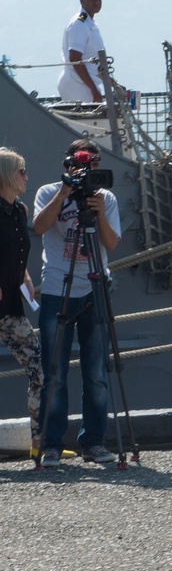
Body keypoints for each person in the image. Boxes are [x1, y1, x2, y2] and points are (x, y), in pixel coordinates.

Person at [33, 139, 121, 467]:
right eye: (83, 163)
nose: (88, 170)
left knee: (96, 372)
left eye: (95, 163)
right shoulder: (48, 192)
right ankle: (52, 444)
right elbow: (38, 227)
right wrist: (64, 193)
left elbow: (110, 243)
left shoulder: (105, 197)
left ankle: (94, 443)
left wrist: (99, 215)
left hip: (95, 288)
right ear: (66, 164)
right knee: (53, 371)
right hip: (58, 288)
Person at [0, 148, 65, 461]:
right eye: (21, 171)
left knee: (38, 372)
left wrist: (24, 274)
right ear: (7, 176)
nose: (27, 176)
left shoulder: (20, 211)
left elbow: (16, 250)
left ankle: (38, 447)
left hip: (11, 309)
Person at [57, 0, 110, 103]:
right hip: (77, 83)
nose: (95, 2)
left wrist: (113, 84)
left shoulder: (90, 24)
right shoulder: (79, 24)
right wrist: (93, 89)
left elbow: (96, 65)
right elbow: (75, 59)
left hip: (86, 83)